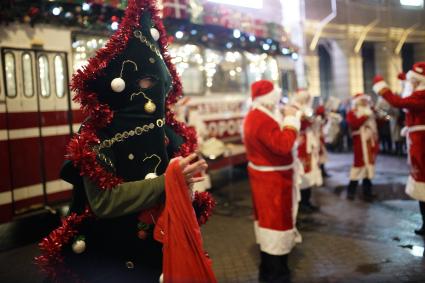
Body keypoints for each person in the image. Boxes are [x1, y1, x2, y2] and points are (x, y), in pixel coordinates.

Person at [35, 1, 216, 282]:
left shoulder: (166, 130)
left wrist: (186, 183)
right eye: (146, 81)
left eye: (160, 83)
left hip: (157, 255)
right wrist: (170, 180)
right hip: (110, 258)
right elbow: (104, 202)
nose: (156, 91)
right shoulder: (98, 133)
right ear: (122, 81)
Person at [243, 80, 302, 282]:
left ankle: (269, 268)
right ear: (270, 98)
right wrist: (291, 119)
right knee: (276, 224)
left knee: (270, 223)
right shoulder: (260, 118)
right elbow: (283, 144)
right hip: (273, 182)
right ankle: (277, 273)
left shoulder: (259, 114)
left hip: (269, 179)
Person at [373, 62, 425, 235]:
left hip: (422, 141)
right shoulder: (419, 93)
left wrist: (382, 87)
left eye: (414, 81)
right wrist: (404, 79)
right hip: (417, 140)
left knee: (422, 180)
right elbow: (408, 95)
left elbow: (399, 102)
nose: (413, 84)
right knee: (420, 181)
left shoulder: (422, 95)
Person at [291, 90, 322, 212]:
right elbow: (298, 125)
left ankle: (307, 201)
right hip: (300, 145)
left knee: (309, 170)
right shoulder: (294, 109)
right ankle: (302, 204)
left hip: (307, 144)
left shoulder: (306, 109)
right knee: (302, 172)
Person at [346, 93, 379, 201]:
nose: (365, 102)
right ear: (357, 102)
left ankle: (367, 192)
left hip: (369, 142)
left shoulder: (370, 111)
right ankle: (350, 192)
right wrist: (365, 117)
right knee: (358, 165)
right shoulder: (352, 112)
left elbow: (377, 124)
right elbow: (354, 124)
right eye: (362, 100)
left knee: (368, 166)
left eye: (366, 100)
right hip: (360, 143)